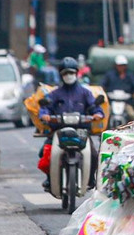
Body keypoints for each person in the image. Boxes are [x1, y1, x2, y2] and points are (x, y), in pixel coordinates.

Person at [38, 57, 104, 188]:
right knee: (44, 154)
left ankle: (90, 179)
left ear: (76, 73)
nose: (68, 76)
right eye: (65, 73)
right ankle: (50, 179)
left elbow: (95, 108)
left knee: (94, 155)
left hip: (81, 131)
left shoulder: (85, 93)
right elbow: (45, 108)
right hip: (58, 131)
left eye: (71, 72)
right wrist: (44, 115)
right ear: (61, 75)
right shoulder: (55, 94)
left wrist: (98, 114)